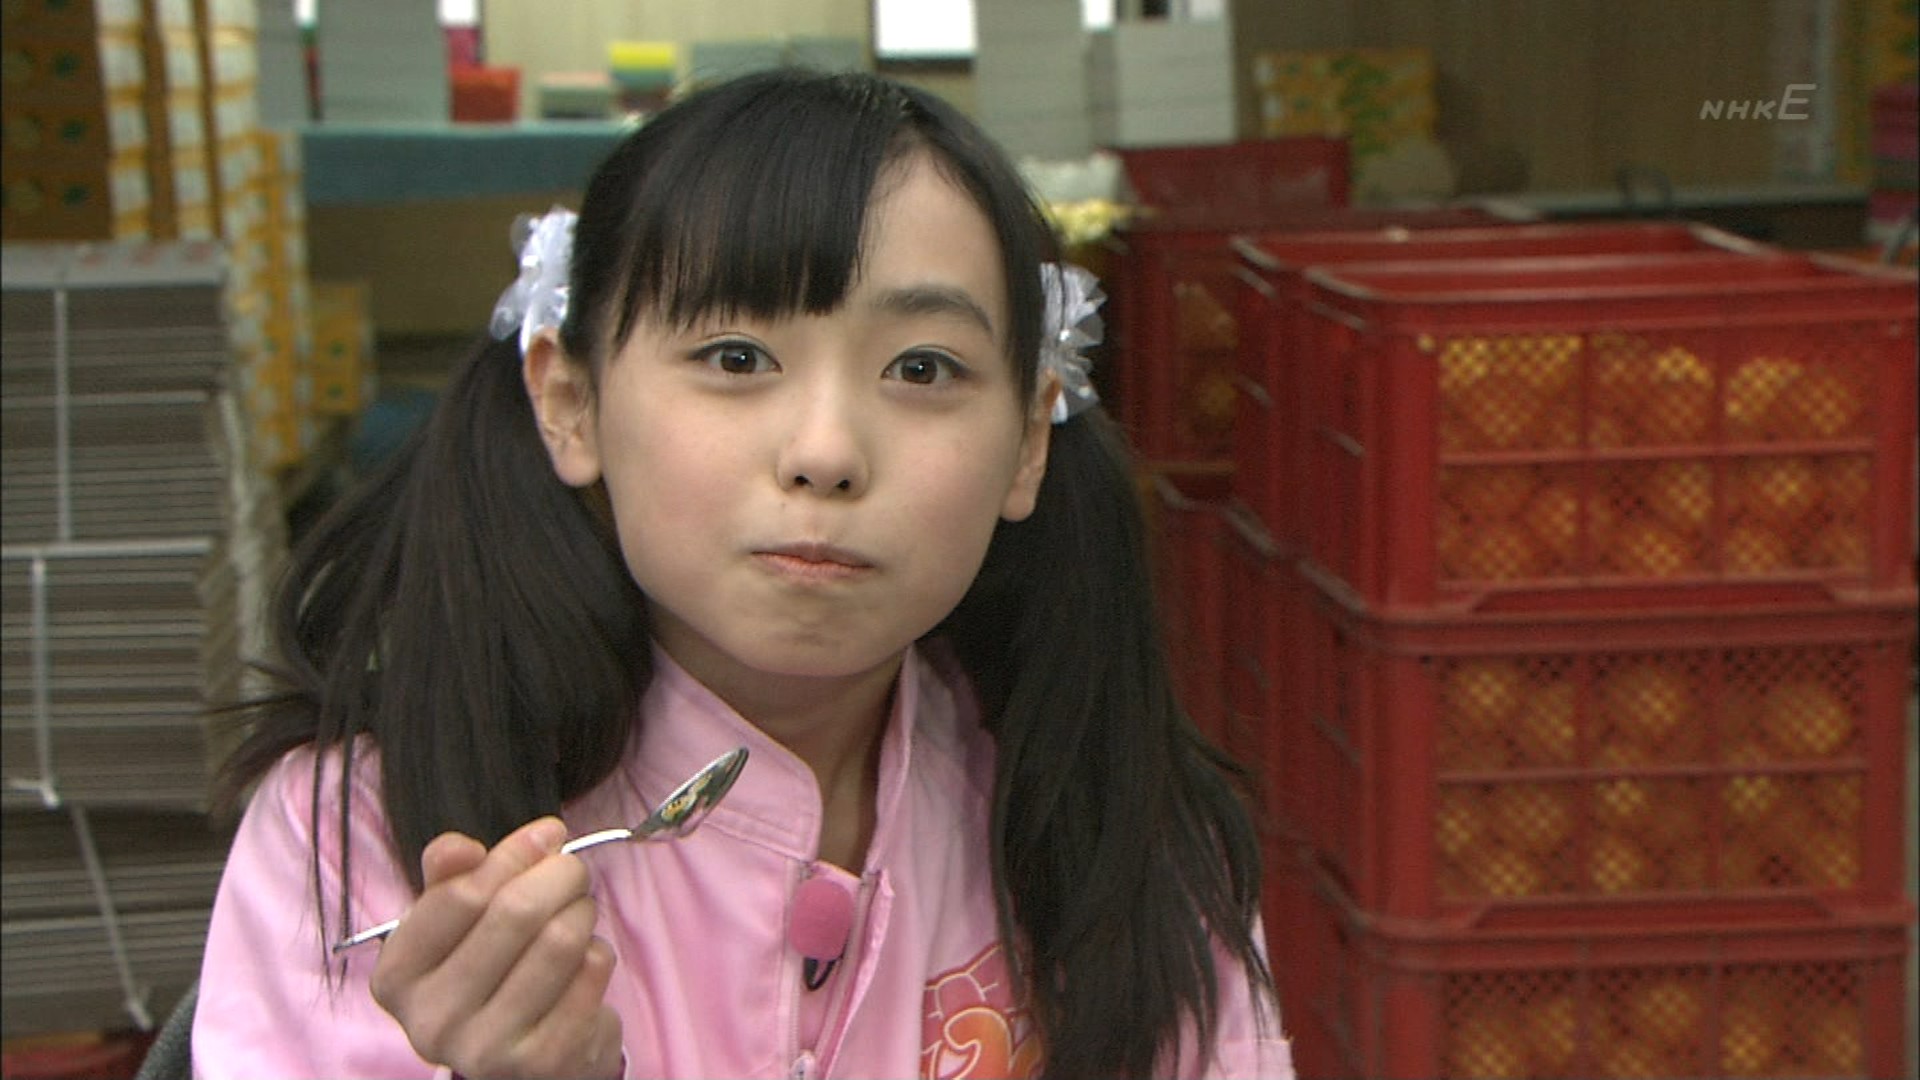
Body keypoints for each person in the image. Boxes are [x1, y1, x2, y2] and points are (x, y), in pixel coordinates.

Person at [193, 68, 1289, 1079]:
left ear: (1030, 442)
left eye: (922, 368)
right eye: (736, 358)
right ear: (570, 402)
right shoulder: (361, 840)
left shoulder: (1126, 841)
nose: (826, 452)